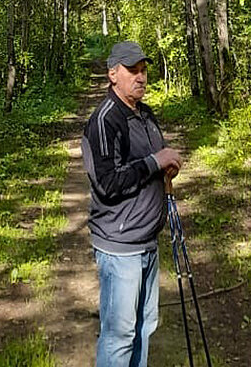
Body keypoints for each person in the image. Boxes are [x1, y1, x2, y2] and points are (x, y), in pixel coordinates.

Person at [82, 40, 183, 367]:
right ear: (113, 74)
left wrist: (166, 170)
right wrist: (155, 162)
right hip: (119, 248)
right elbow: (108, 183)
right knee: (119, 335)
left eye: (143, 70)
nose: (140, 77)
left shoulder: (145, 114)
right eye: (132, 70)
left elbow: (151, 164)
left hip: (148, 242)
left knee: (145, 327)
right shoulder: (105, 120)